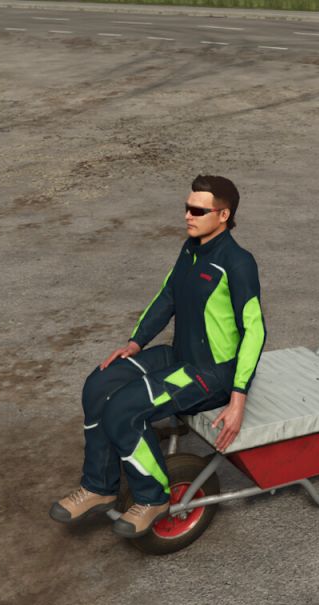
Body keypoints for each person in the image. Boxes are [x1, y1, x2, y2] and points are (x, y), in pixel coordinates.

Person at [50, 175, 266, 538]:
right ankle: (99, 486)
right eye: (187, 207)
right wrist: (135, 343)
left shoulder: (238, 262)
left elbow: (255, 330)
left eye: (198, 210)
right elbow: (167, 296)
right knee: (99, 384)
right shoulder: (190, 249)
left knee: (123, 409)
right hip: (179, 356)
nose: (188, 215)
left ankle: (153, 498)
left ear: (224, 215)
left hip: (209, 373)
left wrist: (238, 397)